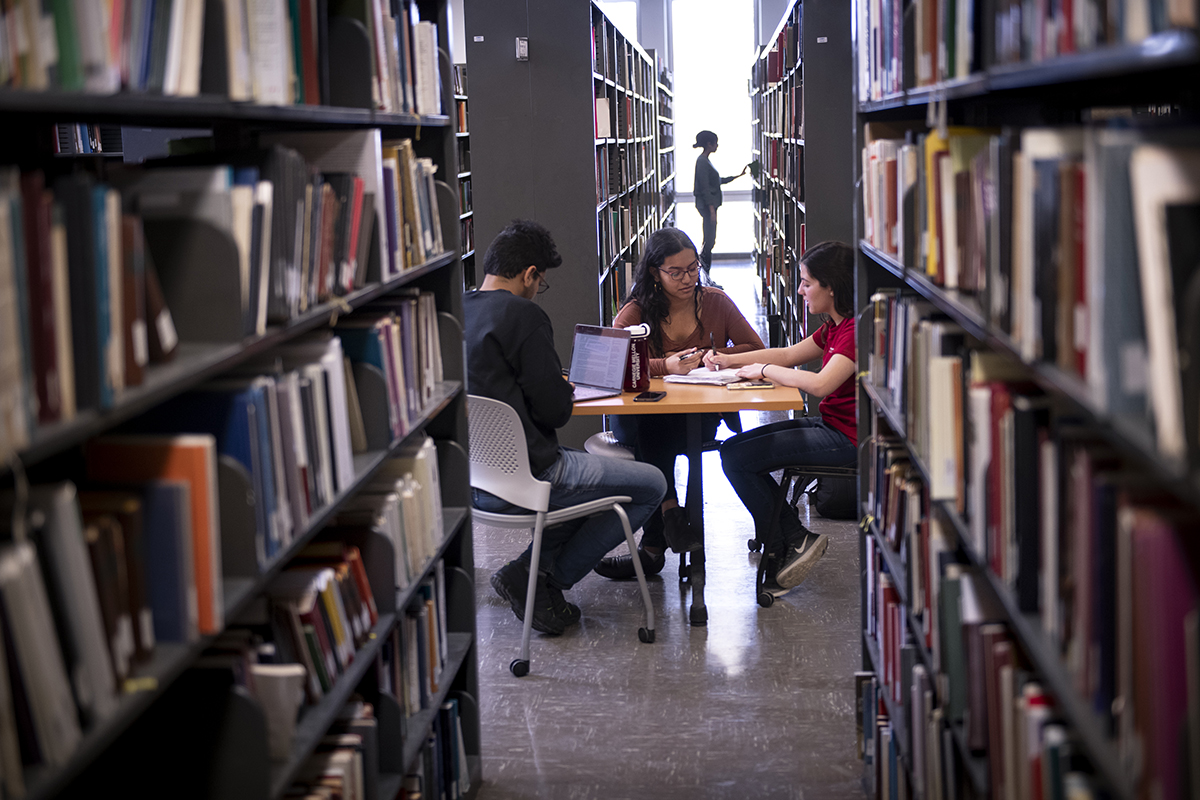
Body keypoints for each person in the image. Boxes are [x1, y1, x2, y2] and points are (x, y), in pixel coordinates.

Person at [464, 219, 668, 634]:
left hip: (477, 482)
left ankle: (523, 571)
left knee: (595, 488)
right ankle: (544, 583)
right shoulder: (524, 315)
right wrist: (562, 387)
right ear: (529, 275)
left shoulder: (455, 311)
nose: (538, 290)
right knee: (651, 484)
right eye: (541, 281)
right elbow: (557, 412)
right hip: (535, 474)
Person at [593, 227, 764, 581]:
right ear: (655, 273)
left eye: (693, 268)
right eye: (676, 272)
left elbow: (755, 348)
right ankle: (673, 516)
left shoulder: (715, 301)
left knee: (659, 432)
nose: (687, 278)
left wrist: (715, 357)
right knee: (650, 421)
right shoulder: (637, 310)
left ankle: (655, 543)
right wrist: (664, 366)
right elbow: (606, 358)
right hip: (641, 416)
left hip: (693, 414)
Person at [706, 241, 857, 598]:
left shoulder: (855, 330)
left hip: (847, 439)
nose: (801, 290)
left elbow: (820, 384)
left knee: (738, 459)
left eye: (807, 283)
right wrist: (730, 361)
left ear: (831, 286)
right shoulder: (835, 326)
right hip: (830, 426)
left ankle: (788, 540)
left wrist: (763, 370)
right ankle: (788, 540)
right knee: (733, 450)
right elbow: (790, 354)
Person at [693, 130, 748, 273]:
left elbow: (716, 182)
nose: (717, 145)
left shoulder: (705, 161)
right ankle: (705, 276)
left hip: (709, 207)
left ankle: (706, 276)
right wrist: (711, 210)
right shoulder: (702, 162)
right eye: (715, 142)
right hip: (707, 207)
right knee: (709, 242)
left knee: (710, 241)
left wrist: (738, 176)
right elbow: (705, 188)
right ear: (709, 144)